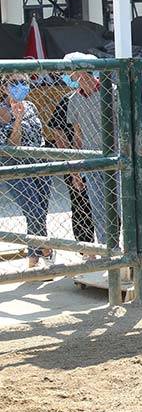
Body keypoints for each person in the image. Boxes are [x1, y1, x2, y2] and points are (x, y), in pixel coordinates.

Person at [64, 52, 119, 247]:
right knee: (98, 209)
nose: (66, 77)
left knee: (121, 206)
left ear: (79, 72)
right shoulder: (74, 100)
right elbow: (77, 136)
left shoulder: (111, 92)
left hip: (116, 158)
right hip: (91, 160)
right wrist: (77, 169)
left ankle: (128, 248)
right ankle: (109, 249)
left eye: (69, 72)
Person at [0, 72, 53, 268]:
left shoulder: (31, 106)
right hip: (15, 165)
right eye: (14, 83)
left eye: (23, 82)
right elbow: (12, 145)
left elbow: (40, 136)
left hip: (39, 163)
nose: (20, 86)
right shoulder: (2, 111)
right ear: (3, 87)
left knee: (40, 212)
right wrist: (17, 119)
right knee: (34, 210)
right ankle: (46, 249)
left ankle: (33, 259)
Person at [45, 72, 94, 248]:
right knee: (81, 205)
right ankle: (86, 248)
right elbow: (58, 131)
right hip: (76, 158)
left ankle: (109, 246)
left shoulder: (104, 96)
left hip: (98, 156)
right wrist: (71, 160)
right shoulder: (68, 99)